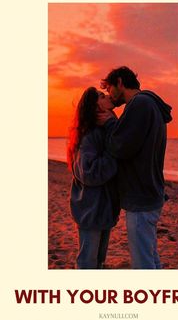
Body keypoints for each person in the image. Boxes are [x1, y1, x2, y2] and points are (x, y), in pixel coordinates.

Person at [98, 66, 172, 269]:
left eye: (110, 88)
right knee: (151, 257)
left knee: (143, 263)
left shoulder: (139, 104)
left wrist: (110, 123)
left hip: (141, 197)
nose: (110, 96)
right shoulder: (150, 105)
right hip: (150, 192)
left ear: (120, 82)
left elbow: (119, 147)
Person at [67, 87, 120, 269]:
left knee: (98, 261)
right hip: (91, 208)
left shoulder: (106, 129)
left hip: (104, 208)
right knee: (88, 262)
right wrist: (114, 155)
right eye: (102, 96)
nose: (108, 97)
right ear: (95, 106)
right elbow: (90, 173)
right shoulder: (90, 135)